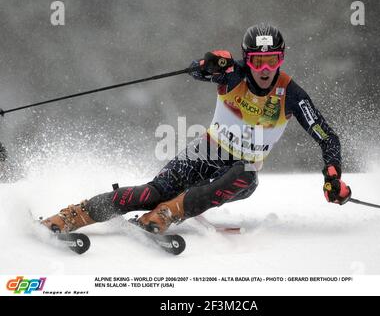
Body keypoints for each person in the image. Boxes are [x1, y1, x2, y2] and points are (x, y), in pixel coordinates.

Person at [41, 23, 351, 235]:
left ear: (281, 59)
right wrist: (208, 63)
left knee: (248, 175)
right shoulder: (233, 74)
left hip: (239, 170)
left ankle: (168, 213)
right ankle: (74, 215)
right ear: (248, 60)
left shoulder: (292, 95)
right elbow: (199, 70)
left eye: (273, 61)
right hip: (205, 151)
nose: (266, 70)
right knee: (151, 193)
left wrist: (332, 175)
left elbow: (327, 136)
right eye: (258, 62)